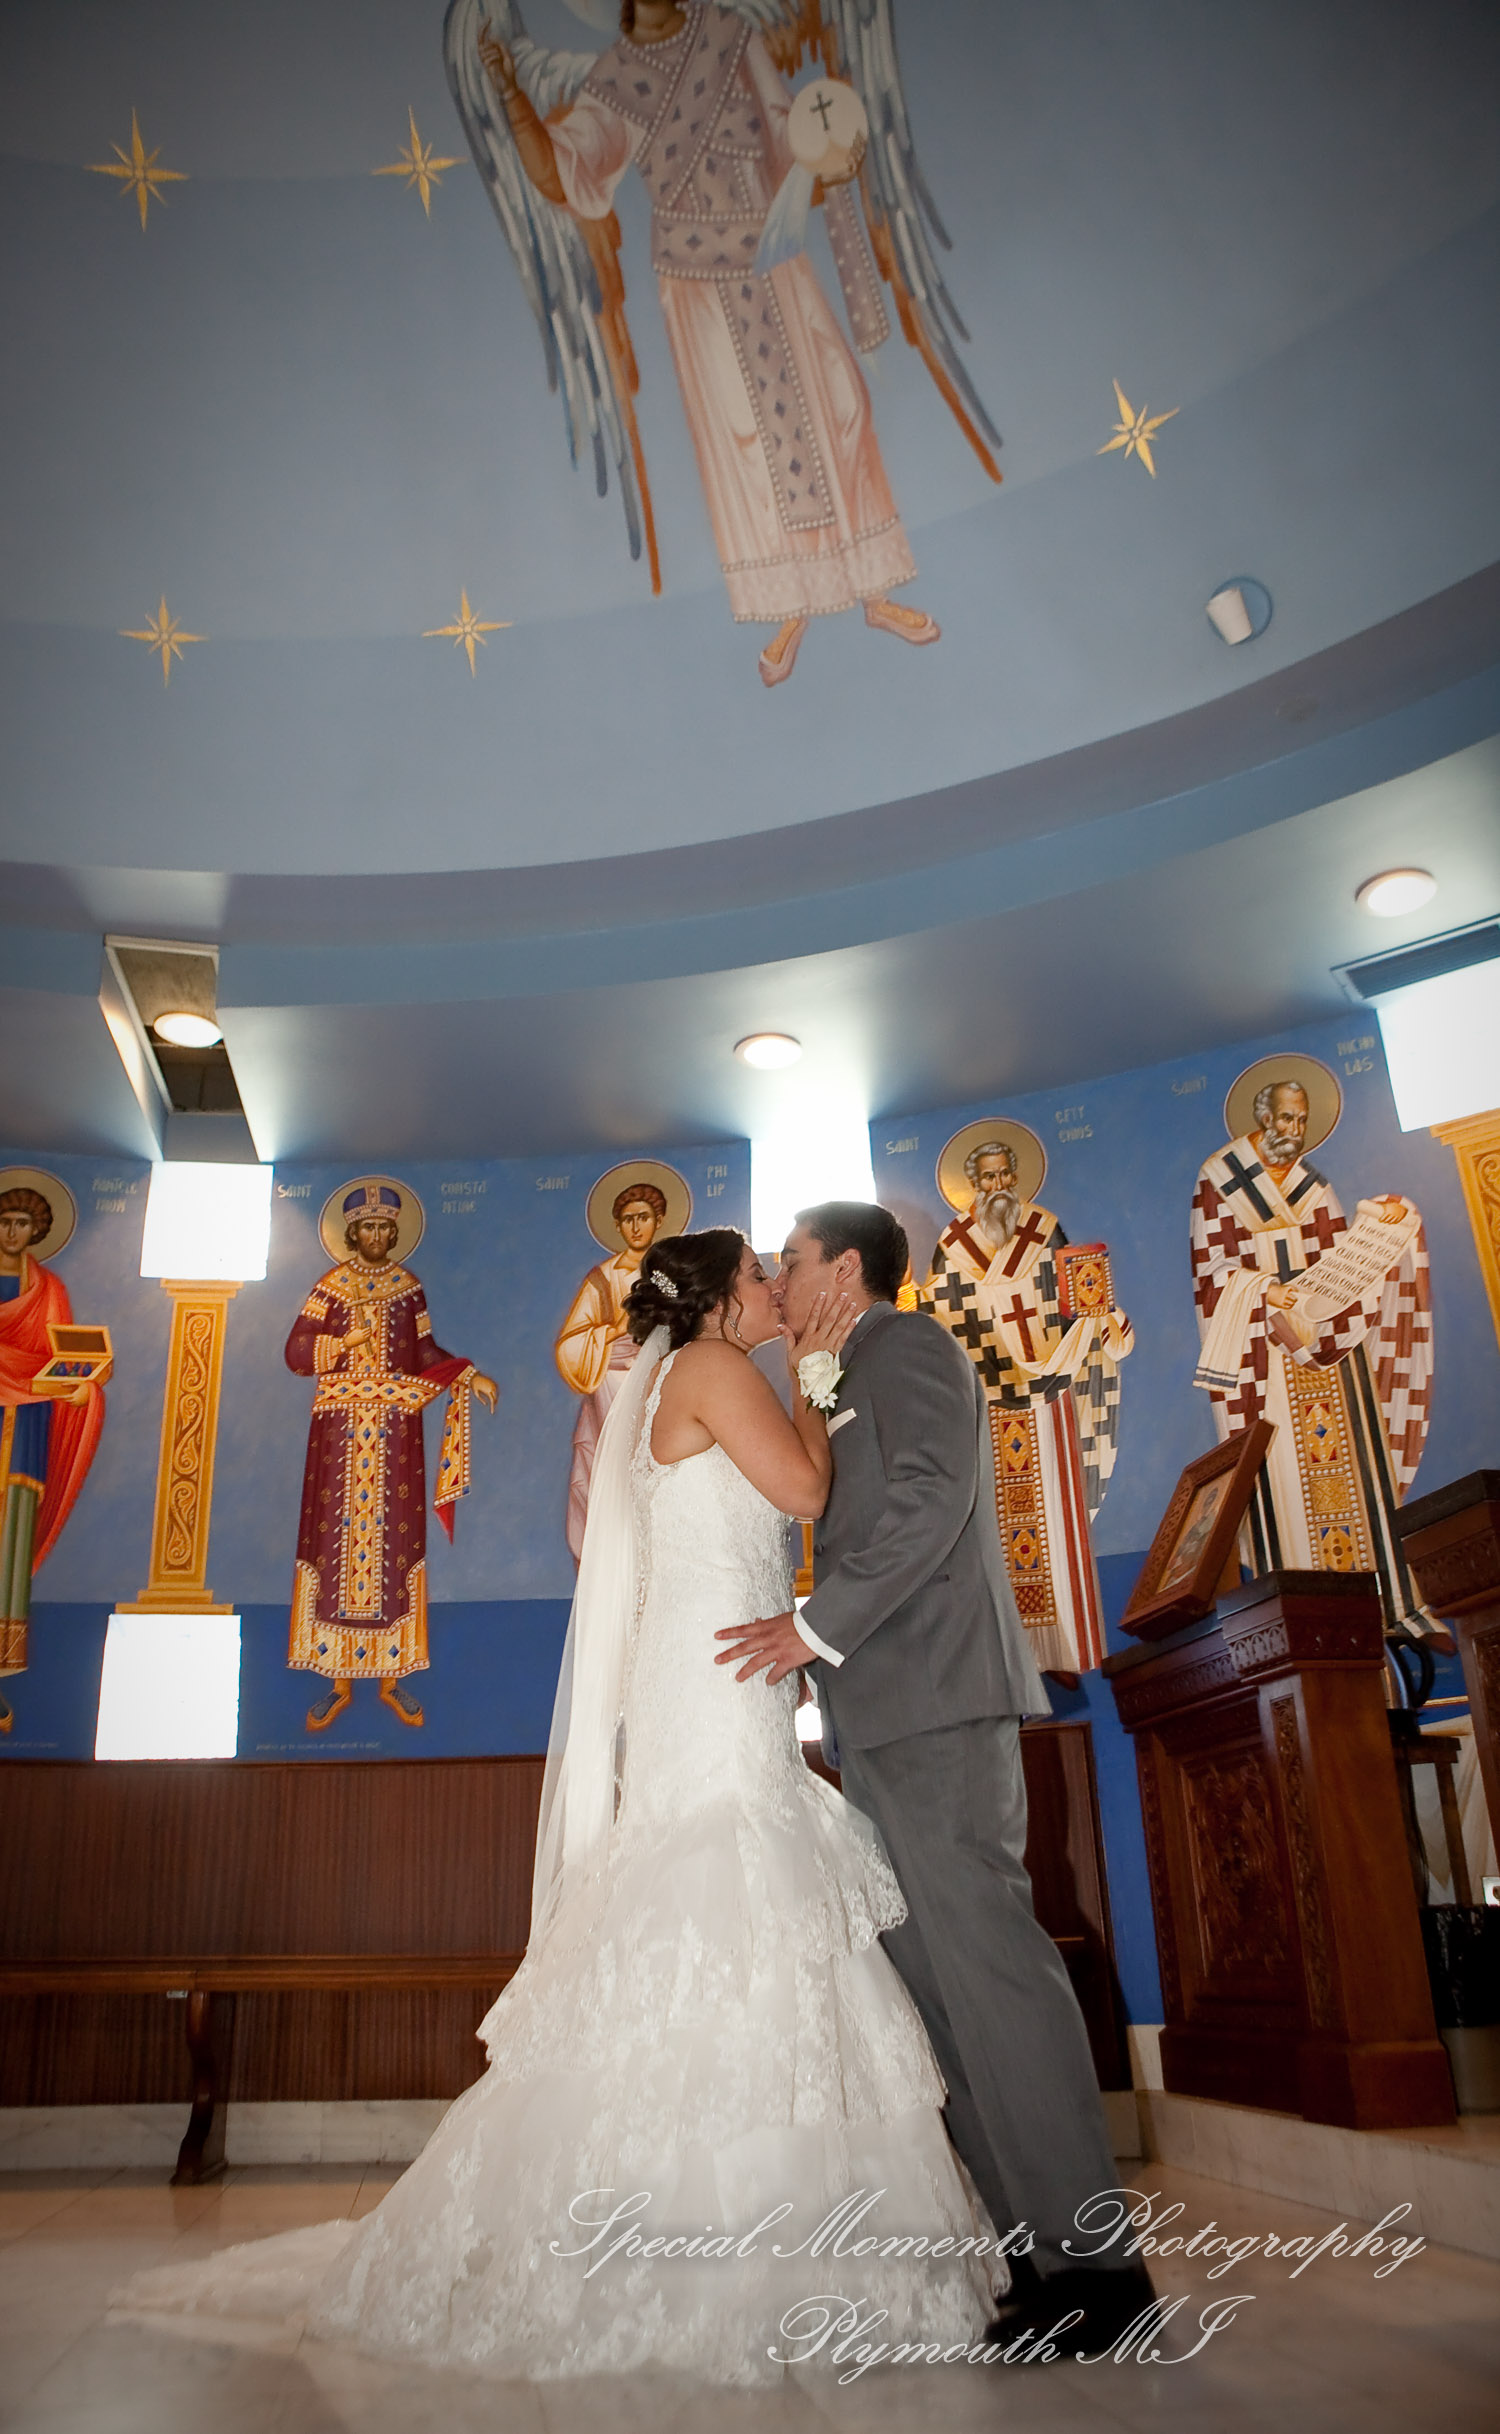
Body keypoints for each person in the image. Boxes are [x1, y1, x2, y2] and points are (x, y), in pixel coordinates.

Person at [117, 1229, 997, 2381]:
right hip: (718, 1679)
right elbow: (806, 1488)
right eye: (759, 1277)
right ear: (725, 1297)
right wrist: (813, 1376)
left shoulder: (673, 1376)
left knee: (719, 1895)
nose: (777, 1289)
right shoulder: (720, 1368)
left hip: (710, 1667)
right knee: (735, 1891)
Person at [718, 1200, 1156, 2350]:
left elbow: (926, 1498)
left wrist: (814, 1629)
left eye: (792, 1258)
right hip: (884, 1716)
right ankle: (1037, 2256)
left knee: (995, 1976)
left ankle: (1102, 2269)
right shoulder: (837, 1366)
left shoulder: (905, 1347)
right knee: (941, 1996)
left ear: (845, 1267)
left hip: (940, 1703)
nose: (778, 1271)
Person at [476, 2, 944, 688]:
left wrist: (829, 156)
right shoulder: (615, 80)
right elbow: (566, 177)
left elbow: (786, 127)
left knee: (840, 407)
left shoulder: (729, 33)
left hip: (771, 251)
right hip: (697, 282)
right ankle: (789, 608)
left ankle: (873, 590)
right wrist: (513, 96)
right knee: (747, 446)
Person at [1191, 1078, 1433, 1626]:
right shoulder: (1220, 1179)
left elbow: (1343, 1261)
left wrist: (1381, 1224)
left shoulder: (1312, 1183)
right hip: (1266, 1362)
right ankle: (1306, 1619)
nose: (1293, 1132)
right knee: (1281, 1485)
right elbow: (1213, 1273)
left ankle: (1388, 1607)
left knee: (1355, 1472)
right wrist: (1265, 1290)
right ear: (1261, 1118)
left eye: (1301, 1121)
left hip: (1326, 1355)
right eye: (1285, 1120)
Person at [284, 1183, 498, 1733]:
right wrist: (341, 1344)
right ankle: (335, 1683)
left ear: (392, 1233)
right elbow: (295, 1351)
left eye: (384, 1227)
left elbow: (424, 1352)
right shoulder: (329, 1288)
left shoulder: (409, 1289)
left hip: (397, 1437)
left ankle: (391, 1678)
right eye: (367, 1228)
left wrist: (467, 1374)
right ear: (352, 1233)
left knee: (395, 1547)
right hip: (338, 1437)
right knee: (335, 1549)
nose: (376, 1236)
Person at [919, 1138, 1134, 1676]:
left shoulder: (1045, 1229)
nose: (997, 1188)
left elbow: (1080, 1304)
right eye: (986, 1178)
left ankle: (1066, 1651)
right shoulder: (953, 1244)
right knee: (993, 1523)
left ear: (1016, 1178)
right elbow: (940, 1320)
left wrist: (1101, 1318)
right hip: (987, 1410)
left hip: (1051, 1401)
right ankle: (1008, 1657)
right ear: (973, 1184)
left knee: (1058, 1515)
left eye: (1004, 1176)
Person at [0, 1185, 105, 1732]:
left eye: (22, 1223)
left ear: (36, 1231)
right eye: (5, 1221)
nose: (13, 1232)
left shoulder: (48, 1288)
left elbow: (63, 1361)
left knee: (10, 1546)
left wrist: (82, 1390)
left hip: (25, 1432)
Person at [555, 1181, 667, 1560]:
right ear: (618, 1226)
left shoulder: (669, 1271)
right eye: (627, 1220)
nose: (636, 1227)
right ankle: (619, 1556)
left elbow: (687, 1319)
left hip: (665, 1377)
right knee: (619, 1476)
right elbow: (572, 1341)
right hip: (613, 1382)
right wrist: (614, 1331)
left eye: (644, 1217)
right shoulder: (603, 1277)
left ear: (659, 1220)